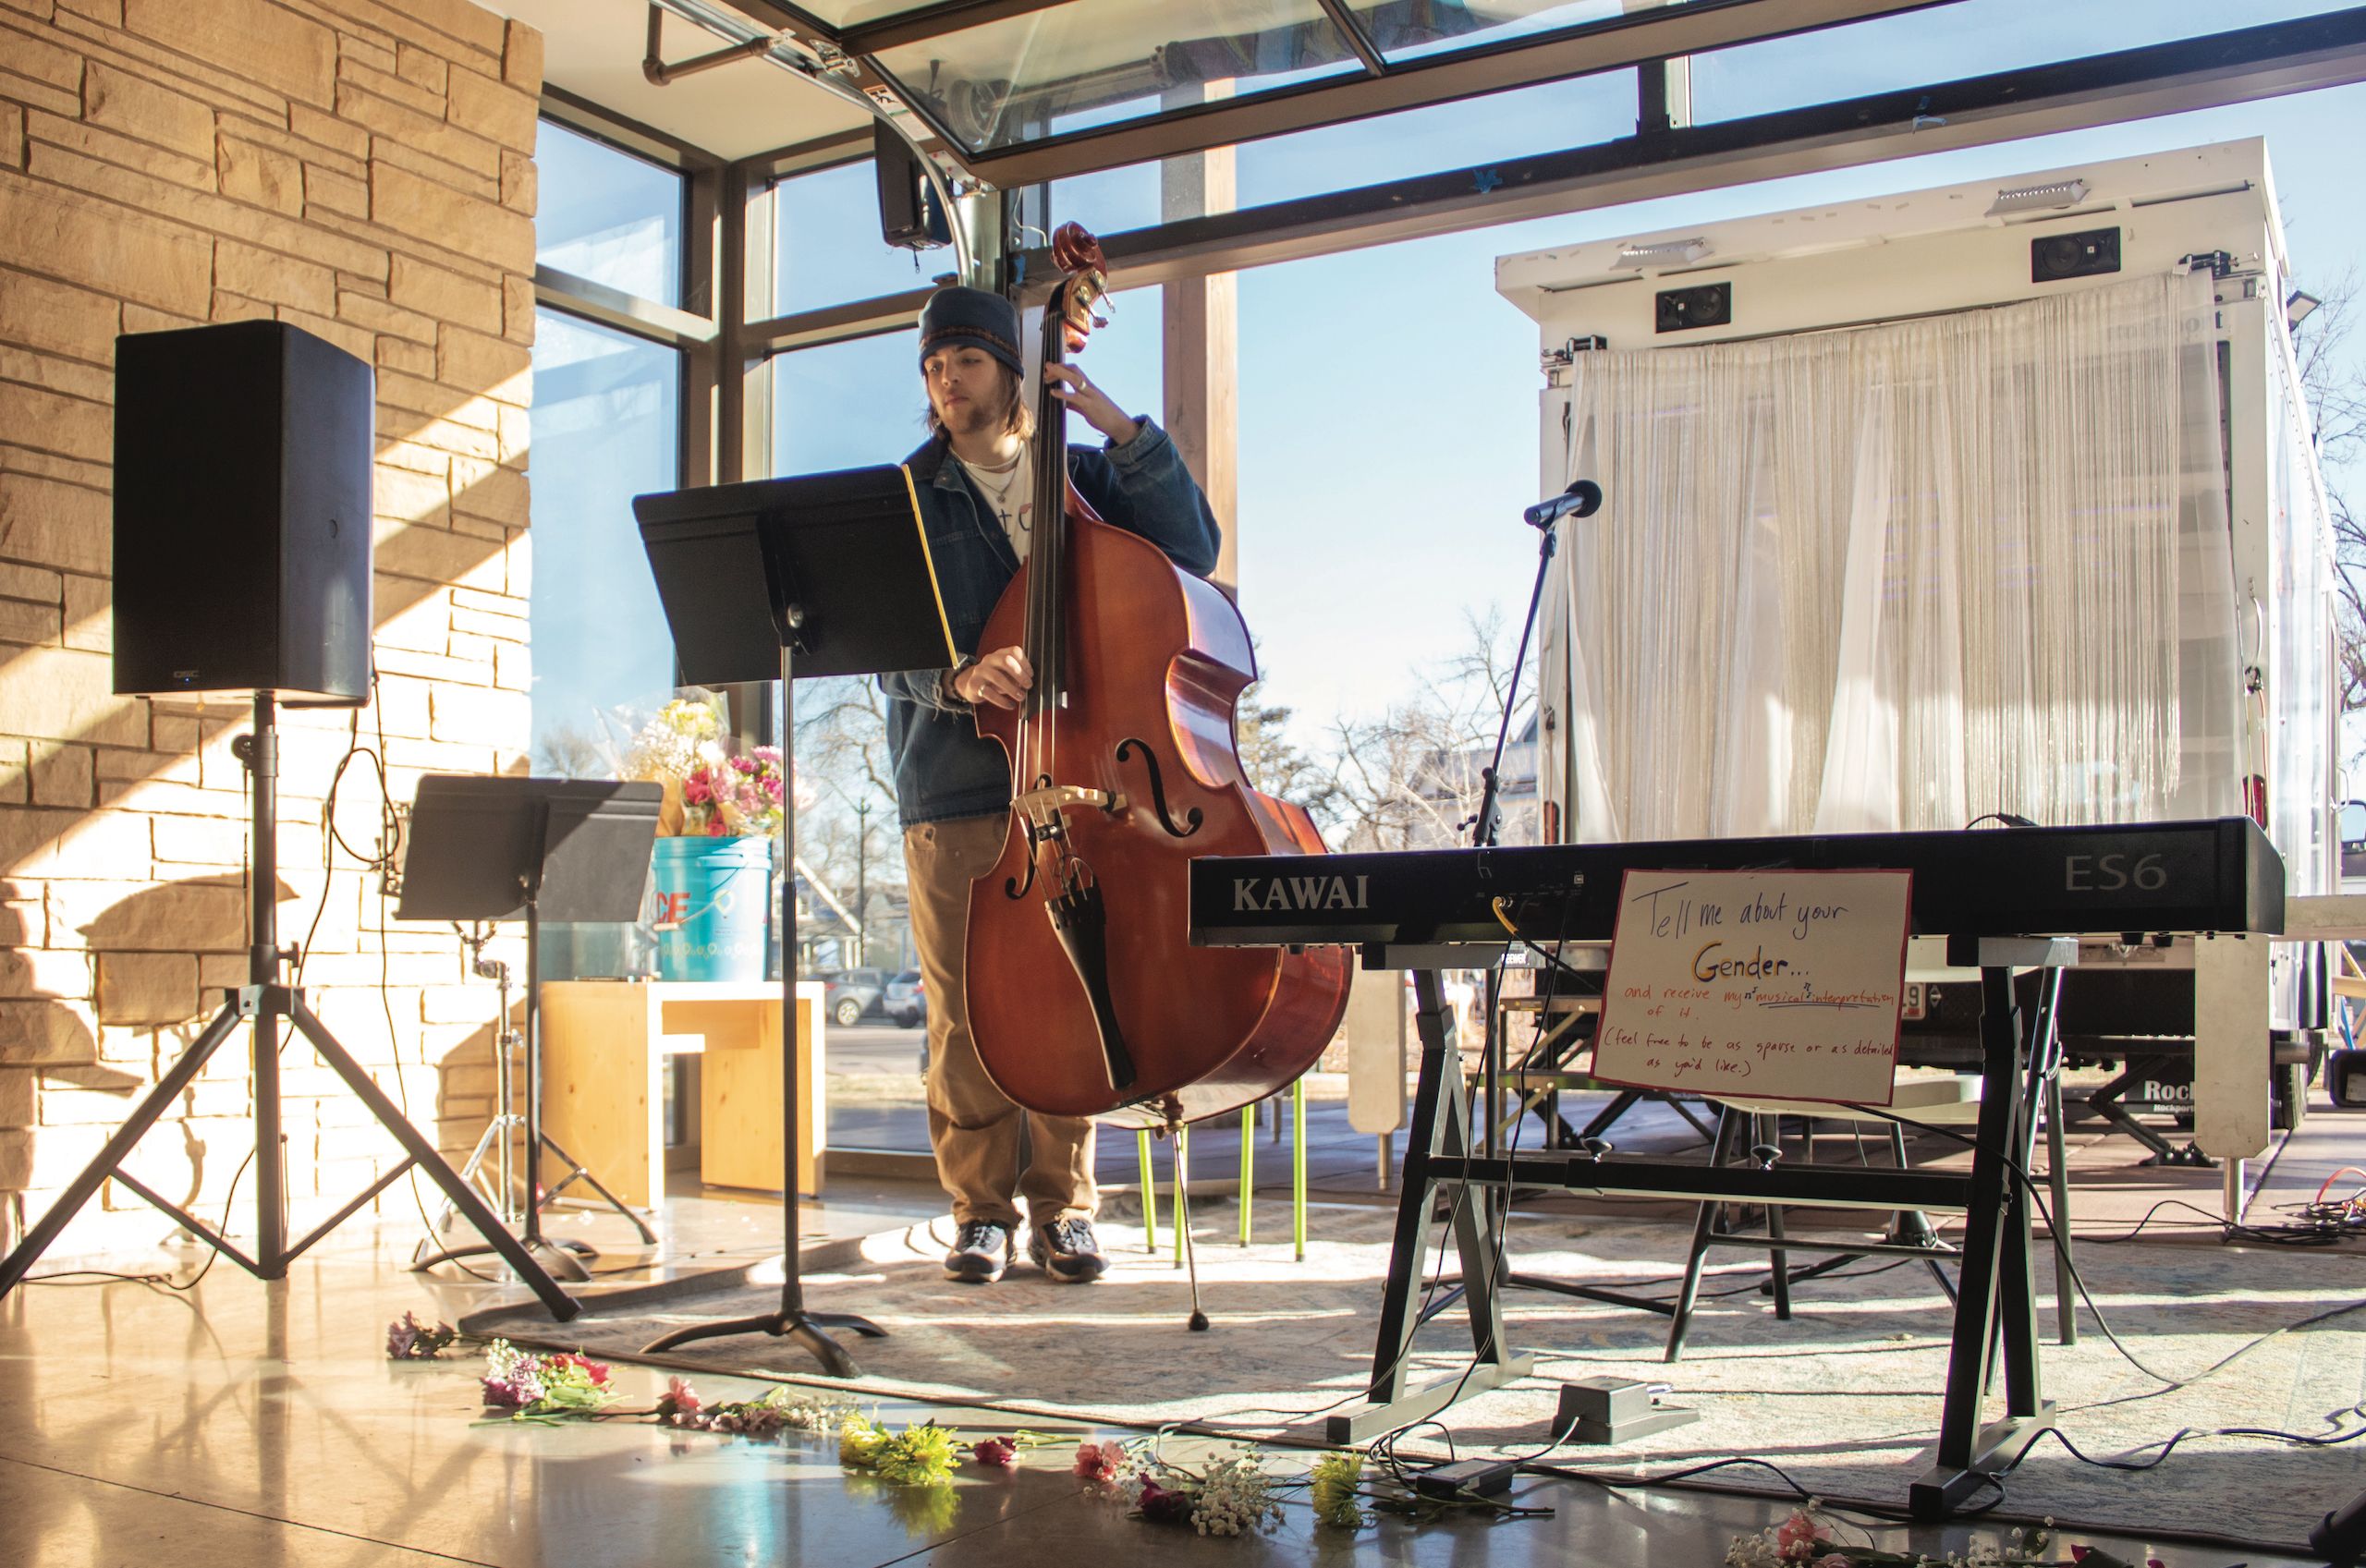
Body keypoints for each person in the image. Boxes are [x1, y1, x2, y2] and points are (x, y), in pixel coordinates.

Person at [879, 286, 1222, 1285]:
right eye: (933, 366)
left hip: (1078, 774)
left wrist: (1123, 430)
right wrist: (956, 677)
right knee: (964, 1013)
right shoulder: (908, 495)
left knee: (1072, 997)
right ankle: (978, 1213)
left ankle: (1065, 1209)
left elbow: (1192, 550)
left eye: (965, 360)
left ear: (1012, 370)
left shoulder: (1082, 473)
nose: (946, 380)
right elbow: (879, 646)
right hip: (955, 782)